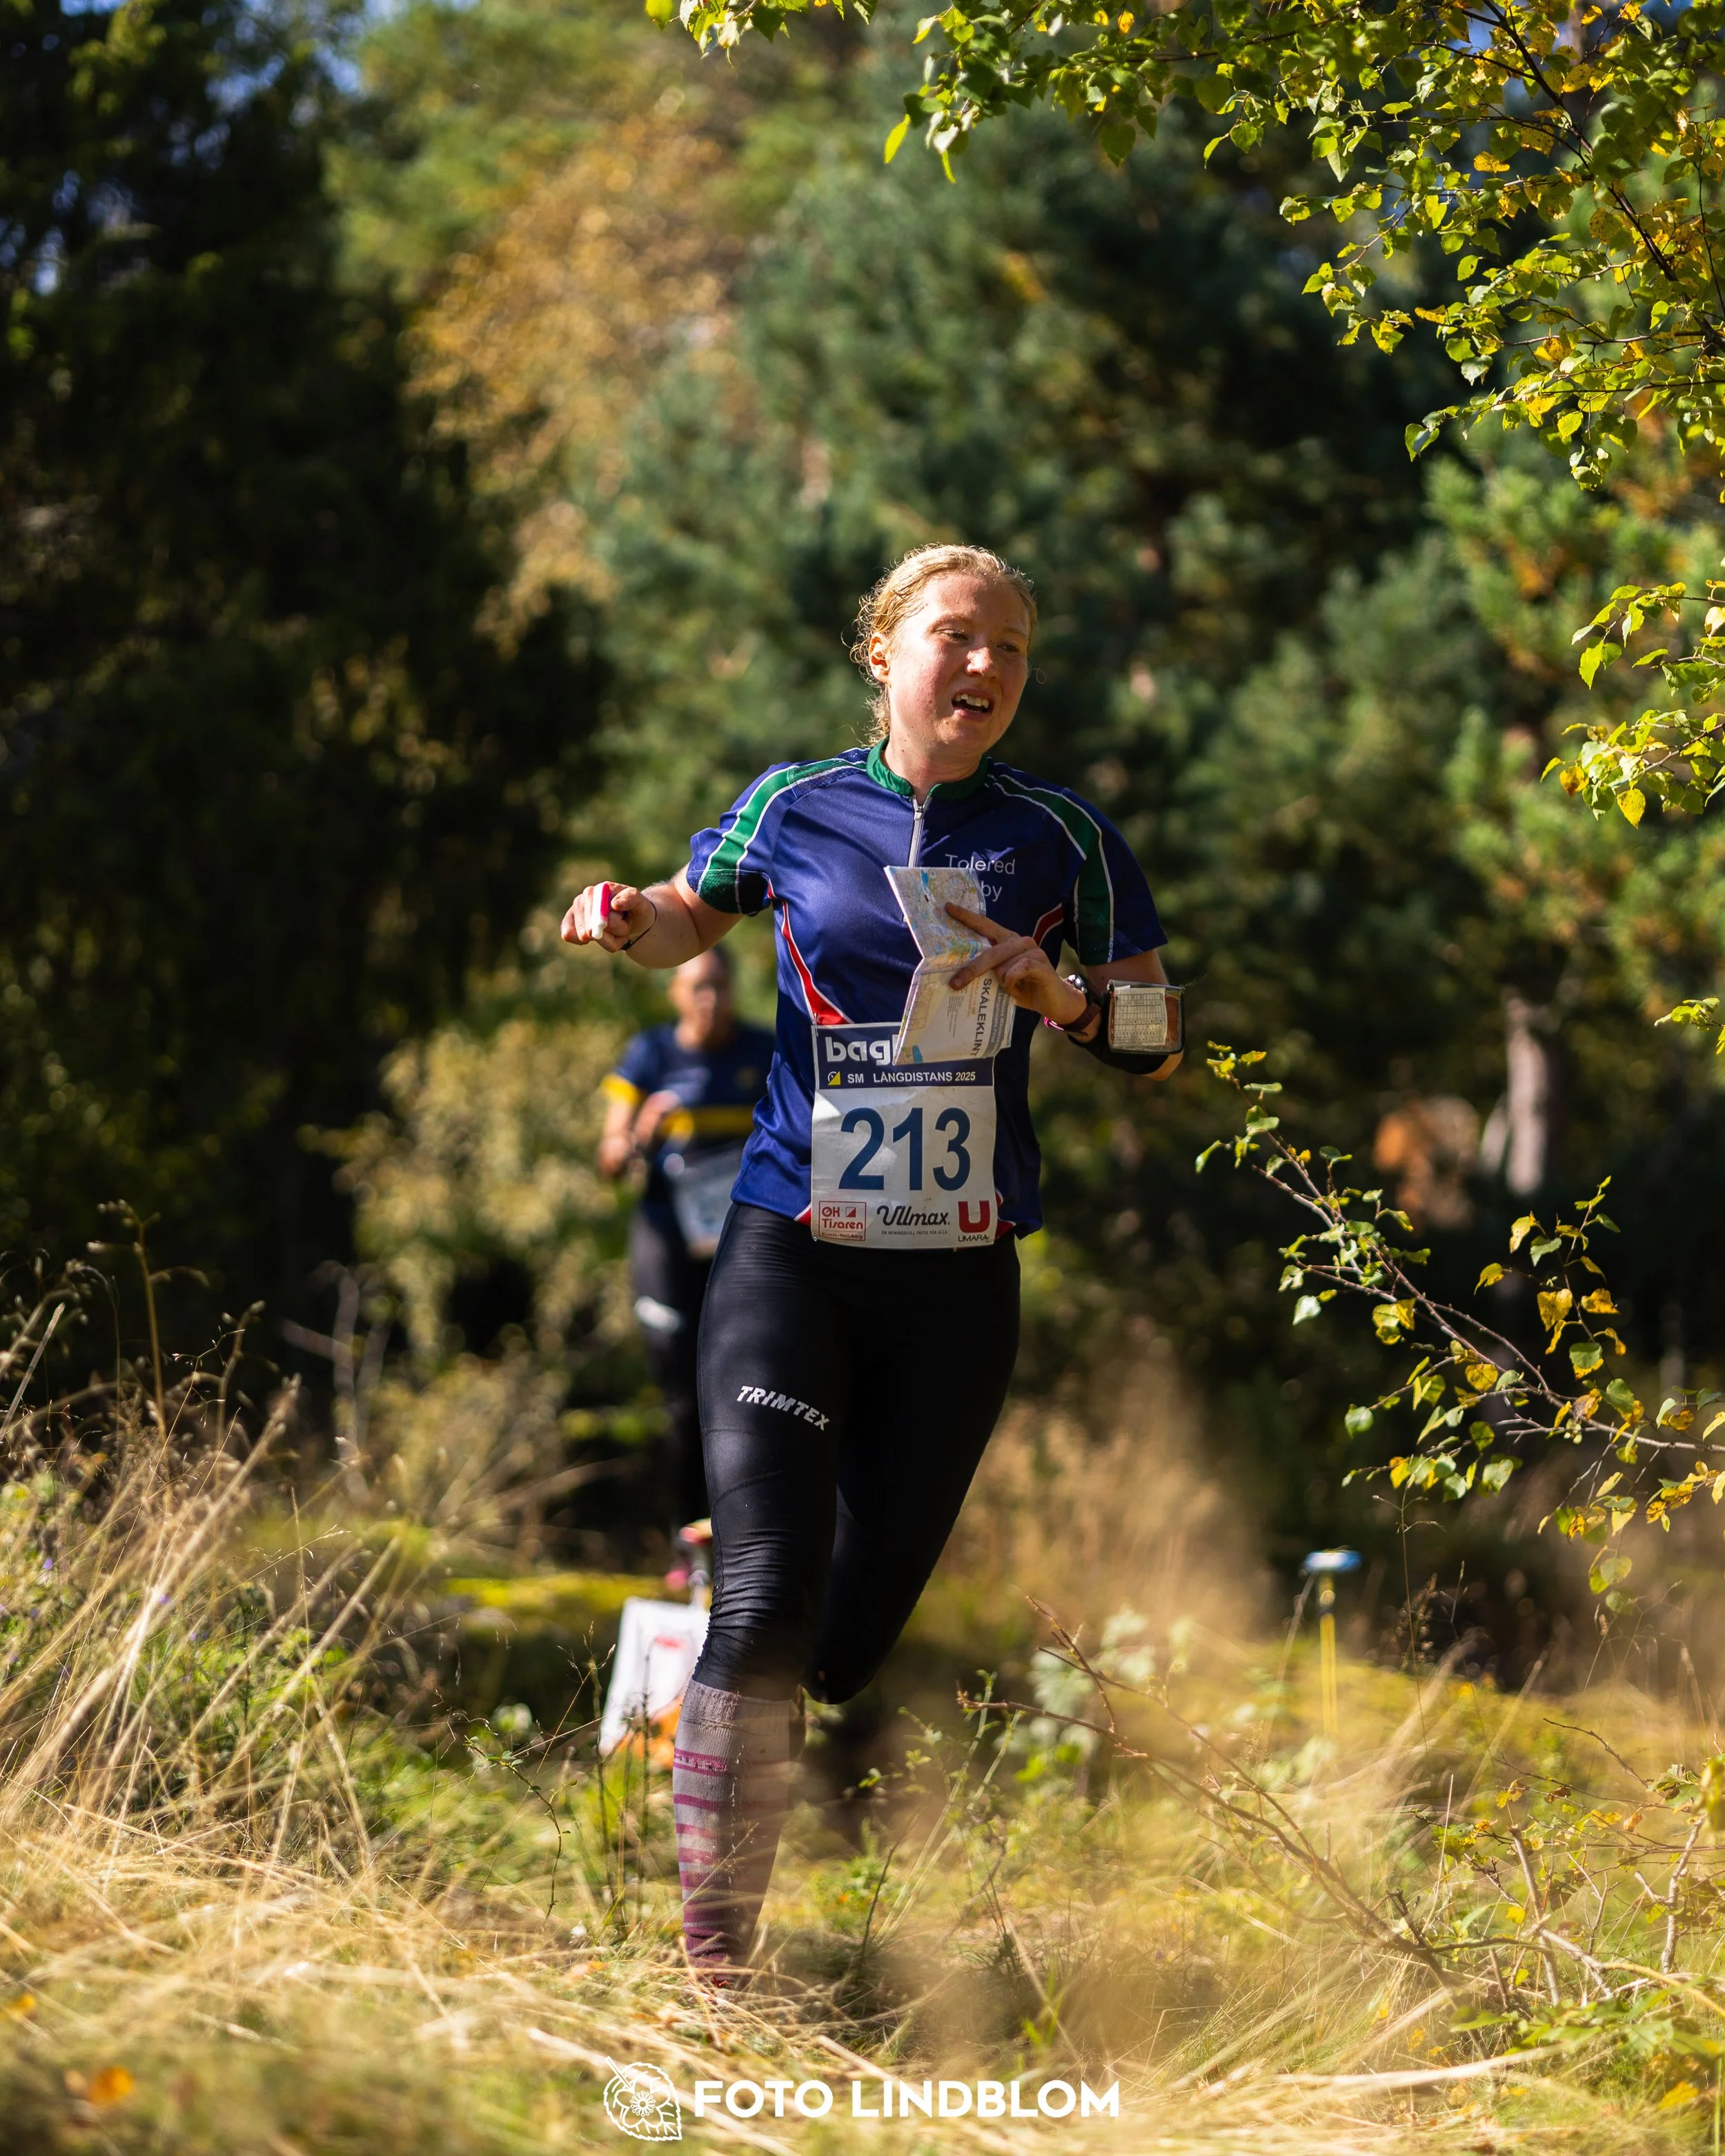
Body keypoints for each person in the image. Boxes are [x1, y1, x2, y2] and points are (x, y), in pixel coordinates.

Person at [562, 542, 1181, 1981]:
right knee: (766, 1610)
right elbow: (678, 917)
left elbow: (1157, 1040)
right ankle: (717, 1972)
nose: (984, 667)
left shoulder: (1062, 837)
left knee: (838, 1647)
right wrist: (616, 915)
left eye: (1011, 648)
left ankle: (738, 1547)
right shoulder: (795, 803)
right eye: (955, 635)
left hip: (956, 1279)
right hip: (789, 1246)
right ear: (883, 649)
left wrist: (1062, 990)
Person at [599, 947, 775, 1536]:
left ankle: (741, 1538)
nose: (711, 999)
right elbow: (609, 1158)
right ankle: (683, 1538)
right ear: (674, 993)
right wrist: (642, 1134)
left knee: (745, 1390)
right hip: (667, 1244)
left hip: (740, 1245)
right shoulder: (649, 1055)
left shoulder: (764, 1049)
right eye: (698, 987)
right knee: (682, 1400)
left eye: (721, 986)